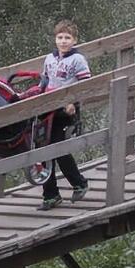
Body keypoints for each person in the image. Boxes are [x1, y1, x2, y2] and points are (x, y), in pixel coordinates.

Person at [36, 20, 91, 211]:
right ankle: (50, 194)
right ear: (55, 39)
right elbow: (44, 82)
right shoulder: (49, 59)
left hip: (64, 109)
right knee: (41, 146)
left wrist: (72, 102)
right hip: (47, 106)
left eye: (67, 38)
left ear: (74, 40)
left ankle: (79, 182)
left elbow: (84, 85)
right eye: (60, 37)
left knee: (56, 147)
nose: (63, 41)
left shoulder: (77, 60)